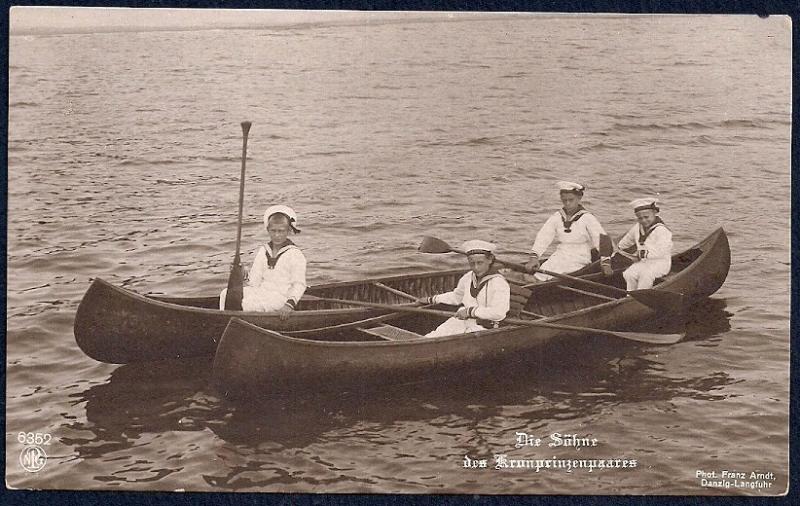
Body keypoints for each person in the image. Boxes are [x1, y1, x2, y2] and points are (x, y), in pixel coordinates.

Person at [219, 205, 307, 318]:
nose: (276, 235)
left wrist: (289, 305)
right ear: (267, 230)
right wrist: (241, 273)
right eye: (273, 231)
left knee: (246, 304)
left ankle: (236, 323)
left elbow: (299, 284)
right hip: (261, 291)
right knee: (225, 294)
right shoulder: (264, 250)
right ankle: (224, 321)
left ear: (288, 231)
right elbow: (254, 282)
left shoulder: (295, 254)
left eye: (281, 231)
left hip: (280, 297)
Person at [417, 240, 511, 337]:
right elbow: (456, 297)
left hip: (486, 328)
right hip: (464, 321)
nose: (476, 268)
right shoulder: (468, 277)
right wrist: (432, 299)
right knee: (433, 336)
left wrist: (469, 312)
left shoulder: (499, 283)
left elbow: (498, 313)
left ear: (490, 260)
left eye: (480, 263)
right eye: (472, 263)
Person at [525, 181, 611, 281]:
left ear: (579, 198)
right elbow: (544, 236)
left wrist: (605, 262)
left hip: (579, 257)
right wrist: (534, 257)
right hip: (560, 253)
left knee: (555, 276)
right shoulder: (557, 216)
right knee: (542, 273)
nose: (568, 203)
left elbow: (601, 238)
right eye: (564, 200)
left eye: (571, 200)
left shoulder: (588, 218)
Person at [616, 198, 673, 290]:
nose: (643, 220)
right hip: (644, 262)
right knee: (628, 274)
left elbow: (662, 251)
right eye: (640, 218)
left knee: (646, 275)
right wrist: (619, 248)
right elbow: (626, 241)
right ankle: (630, 295)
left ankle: (641, 295)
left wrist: (643, 254)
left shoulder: (662, 230)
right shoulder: (637, 228)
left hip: (660, 263)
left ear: (654, 214)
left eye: (646, 217)